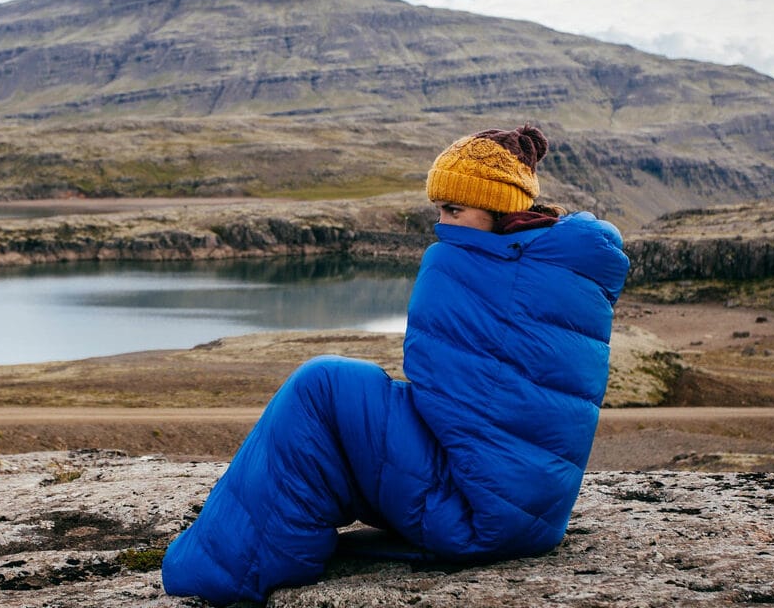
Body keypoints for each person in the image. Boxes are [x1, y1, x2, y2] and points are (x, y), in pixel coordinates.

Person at [161, 124, 630, 605]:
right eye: (438, 210)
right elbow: (475, 400)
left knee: (322, 387)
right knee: (349, 393)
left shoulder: (463, 263)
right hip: (527, 510)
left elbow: (435, 380)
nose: (441, 225)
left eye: (454, 209)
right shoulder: (560, 266)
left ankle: (224, 577)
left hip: (479, 512)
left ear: (499, 208)